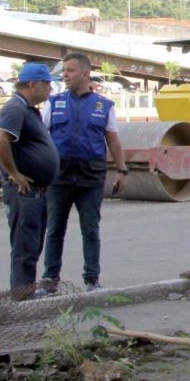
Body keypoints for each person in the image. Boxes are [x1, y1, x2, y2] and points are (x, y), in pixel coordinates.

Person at [39, 53, 128, 294]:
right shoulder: (53, 103)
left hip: (90, 177)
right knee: (55, 229)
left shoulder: (103, 105)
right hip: (60, 176)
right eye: (64, 71)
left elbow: (113, 141)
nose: (65, 75)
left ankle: (92, 280)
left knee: (90, 230)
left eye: (70, 70)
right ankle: (50, 281)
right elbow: (41, 138)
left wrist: (122, 170)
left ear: (86, 74)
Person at [0, 63, 59, 300]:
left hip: (36, 191)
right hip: (24, 191)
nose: (51, 89)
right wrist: (15, 173)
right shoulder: (16, 108)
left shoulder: (28, 109)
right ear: (33, 84)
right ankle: (22, 296)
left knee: (32, 244)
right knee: (24, 245)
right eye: (48, 84)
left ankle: (27, 289)